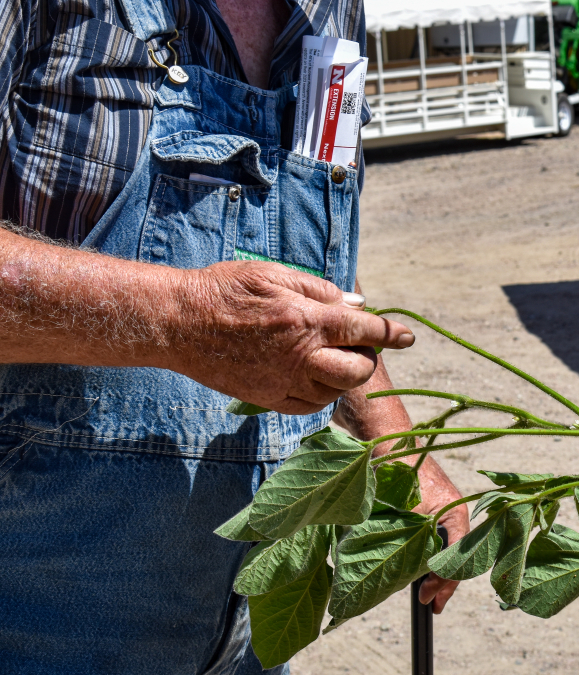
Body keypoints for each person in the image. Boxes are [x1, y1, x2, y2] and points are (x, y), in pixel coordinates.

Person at [0, 0, 469, 672]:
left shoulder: (331, 11)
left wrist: (394, 446)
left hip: (245, 642)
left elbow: (306, 249)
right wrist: (182, 321)